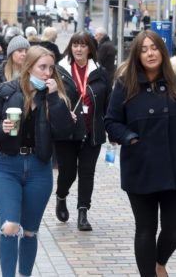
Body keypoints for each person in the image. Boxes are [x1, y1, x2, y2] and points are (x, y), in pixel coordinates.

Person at [104, 30, 176, 277]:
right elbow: (111, 121)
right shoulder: (125, 84)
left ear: (162, 50)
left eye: (154, 48)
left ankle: (160, 262)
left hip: (175, 166)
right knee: (145, 230)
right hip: (141, 165)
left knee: (174, 230)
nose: (150, 53)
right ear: (137, 55)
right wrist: (130, 138)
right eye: (144, 49)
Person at [0, 46, 75, 277]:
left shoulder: (55, 96)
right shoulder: (6, 91)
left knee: (30, 231)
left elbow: (65, 132)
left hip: (39, 168)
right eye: (42, 67)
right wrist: (0, 128)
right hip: (6, 166)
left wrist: (55, 100)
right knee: (10, 226)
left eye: (51, 68)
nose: (47, 73)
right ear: (28, 67)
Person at [54, 32, 111, 231]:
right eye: (75, 45)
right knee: (68, 173)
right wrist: (63, 112)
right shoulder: (59, 71)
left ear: (90, 49)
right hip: (67, 133)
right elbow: (52, 101)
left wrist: (111, 130)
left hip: (92, 130)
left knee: (87, 173)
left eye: (83, 45)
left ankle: (83, 212)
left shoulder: (100, 72)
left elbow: (108, 102)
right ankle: (61, 196)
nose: (78, 49)